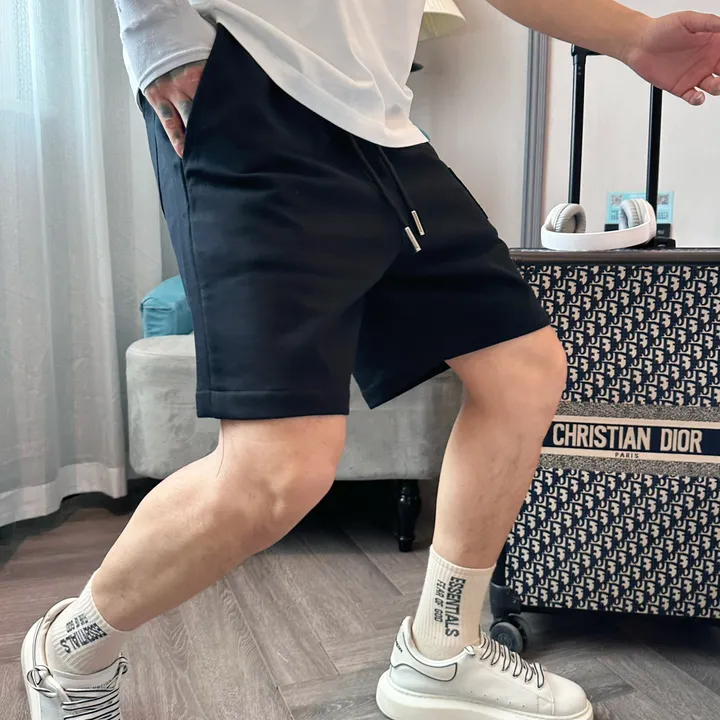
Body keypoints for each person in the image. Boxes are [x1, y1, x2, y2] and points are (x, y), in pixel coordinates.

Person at [20, 1, 720, 719]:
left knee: (522, 368)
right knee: (276, 472)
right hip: (248, 87)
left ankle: (441, 650)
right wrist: (156, 29)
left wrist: (635, 36)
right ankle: (69, 648)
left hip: (382, 126)